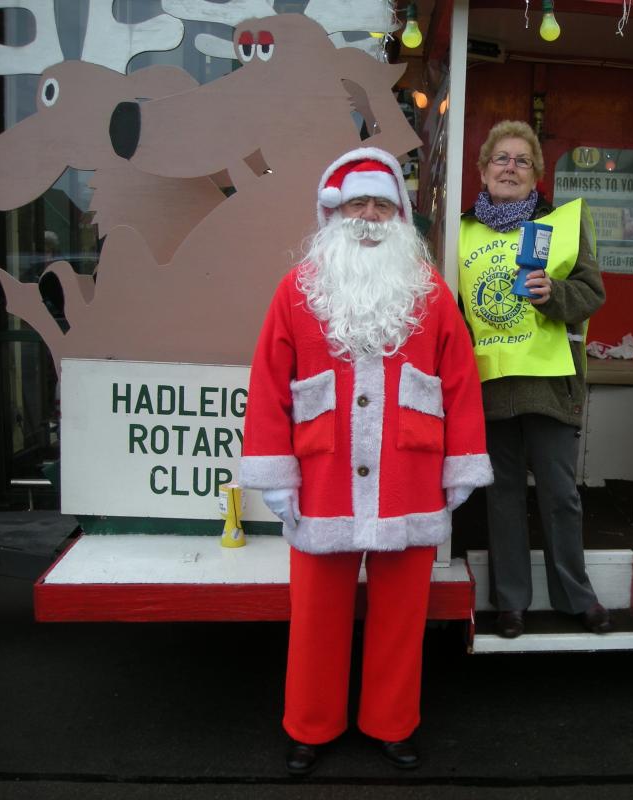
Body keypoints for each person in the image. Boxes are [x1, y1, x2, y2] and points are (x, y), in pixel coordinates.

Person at [239, 147, 492, 776]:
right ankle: (310, 726)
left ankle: (391, 723)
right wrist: (276, 476)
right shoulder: (295, 290)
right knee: (317, 616)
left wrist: (460, 469)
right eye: (358, 204)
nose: (370, 216)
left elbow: (460, 382)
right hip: (322, 479)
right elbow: (270, 384)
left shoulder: (431, 293)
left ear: (401, 216)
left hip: (409, 477)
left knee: (402, 618)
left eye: (382, 204)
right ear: (334, 213)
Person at [458, 120, 611, 639]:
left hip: (550, 383)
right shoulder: (460, 232)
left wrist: (555, 295)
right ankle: (511, 604)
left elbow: (591, 293)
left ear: (537, 175)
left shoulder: (563, 224)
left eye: (522, 160)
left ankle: (576, 596)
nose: (510, 167)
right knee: (501, 498)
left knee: (559, 494)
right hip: (490, 386)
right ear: (482, 170)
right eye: (501, 158)